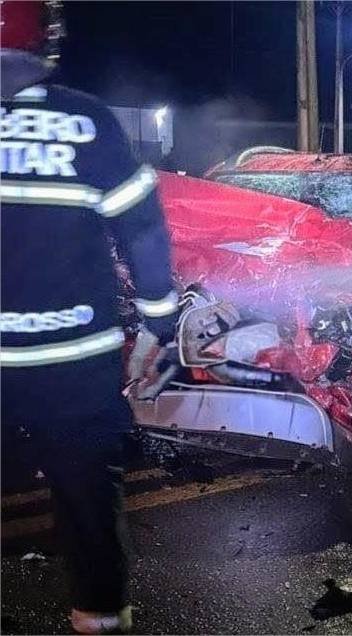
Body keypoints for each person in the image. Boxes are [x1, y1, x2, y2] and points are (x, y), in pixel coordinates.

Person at [1, 1, 178, 632]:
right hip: (75, 363)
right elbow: (143, 230)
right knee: (87, 502)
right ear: (47, 37)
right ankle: (98, 618)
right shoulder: (86, 120)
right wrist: (158, 326)